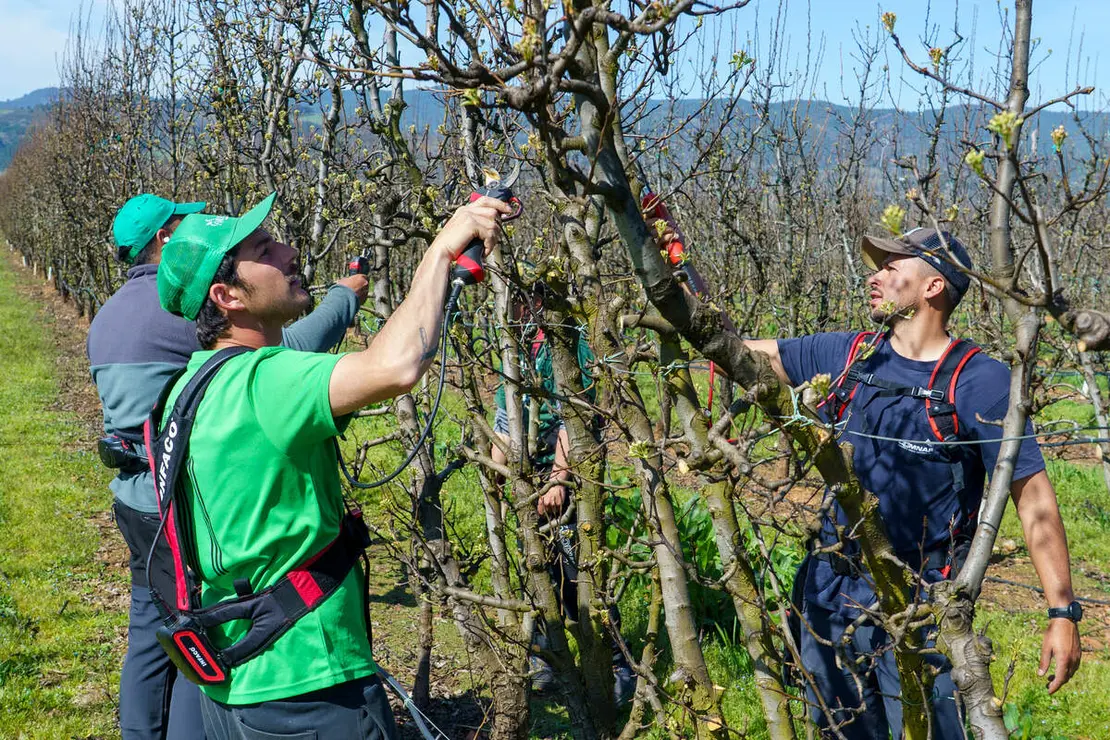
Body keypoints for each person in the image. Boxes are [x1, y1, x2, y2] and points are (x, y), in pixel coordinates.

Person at [153, 191, 509, 738]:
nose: (290, 252)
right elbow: (397, 365)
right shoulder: (263, 382)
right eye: (265, 250)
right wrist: (441, 249)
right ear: (226, 296)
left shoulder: (186, 389)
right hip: (307, 682)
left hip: (236, 682)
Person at [742, 227, 1082, 738]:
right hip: (832, 587)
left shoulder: (979, 381)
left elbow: (1033, 500)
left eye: (891, 266)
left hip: (923, 604)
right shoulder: (851, 355)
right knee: (840, 727)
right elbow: (749, 352)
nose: (874, 276)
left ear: (932, 287)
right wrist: (678, 288)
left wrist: (1063, 612)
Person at [87, 193, 369, 740]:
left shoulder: (108, 316)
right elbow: (287, 356)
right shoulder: (174, 312)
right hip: (182, 501)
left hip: (135, 493)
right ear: (166, 241)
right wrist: (344, 298)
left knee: (156, 628)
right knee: (206, 625)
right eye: (182, 222)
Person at [490, 283, 636, 704]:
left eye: (520, 300)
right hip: (528, 473)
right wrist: (499, 469)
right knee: (536, 564)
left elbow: (580, 412)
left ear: (537, 298)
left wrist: (559, 476)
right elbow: (505, 413)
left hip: (570, 471)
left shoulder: (572, 341)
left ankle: (616, 663)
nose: (515, 308)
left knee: (577, 571)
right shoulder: (514, 346)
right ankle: (545, 661)